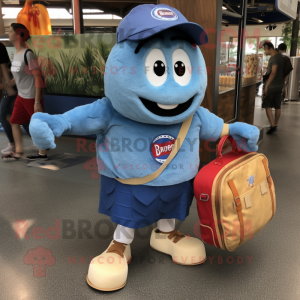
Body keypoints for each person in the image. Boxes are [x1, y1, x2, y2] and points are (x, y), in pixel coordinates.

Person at [29, 4, 259, 291]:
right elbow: (78, 118)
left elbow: (215, 128)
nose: (173, 89)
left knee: (171, 207)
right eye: (159, 68)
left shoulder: (193, 114)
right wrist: (53, 124)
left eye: (180, 67)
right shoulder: (111, 110)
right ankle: (119, 245)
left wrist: (235, 129)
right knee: (130, 211)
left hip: (177, 181)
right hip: (132, 182)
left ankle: (166, 234)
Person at [2, 23, 47, 161]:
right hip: (21, 96)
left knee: (37, 125)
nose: (8, 34)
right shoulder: (16, 54)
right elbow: (17, 76)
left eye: (10, 31)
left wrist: (37, 101)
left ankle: (42, 153)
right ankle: (18, 152)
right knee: (14, 122)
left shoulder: (29, 54)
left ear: (18, 35)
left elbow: (37, 76)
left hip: (32, 96)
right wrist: (8, 84)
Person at [0, 42, 31, 155]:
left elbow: (4, 67)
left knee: (3, 117)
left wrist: (8, 88)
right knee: (16, 117)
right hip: (7, 88)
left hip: (8, 88)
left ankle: (14, 144)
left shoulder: (0, 47)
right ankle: (37, 140)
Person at [262, 42, 284, 134]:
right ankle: (275, 124)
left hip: (272, 86)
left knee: (267, 105)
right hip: (279, 85)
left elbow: (273, 72)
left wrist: (266, 86)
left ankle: (273, 125)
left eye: (264, 49)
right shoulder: (281, 57)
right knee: (278, 106)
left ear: (268, 48)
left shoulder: (274, 58)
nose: (264, 51)